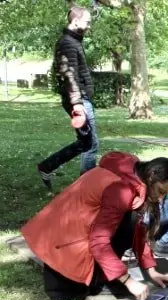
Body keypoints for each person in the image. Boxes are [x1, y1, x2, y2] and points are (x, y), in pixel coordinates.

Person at [21, 152, 168, 300]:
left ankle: (102, 276)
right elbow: (99, 241)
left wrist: (151, 270)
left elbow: (139, 229)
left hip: (69, 235)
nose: (160, 198)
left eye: (165, 194)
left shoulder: (133, 177)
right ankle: (92, 279)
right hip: (62, 243)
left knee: (132, 221)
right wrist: (128, 280)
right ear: (151, 175)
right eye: (160, 191)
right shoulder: (121, 188)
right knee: (71, 295)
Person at [37, 5, 99, 191]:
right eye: (87, 22)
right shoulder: (67, 43)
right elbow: (68, 76)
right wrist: (77, 104)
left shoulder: (74, 41)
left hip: (81, 99)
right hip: (78, 101)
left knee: (86, 143)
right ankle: (85, 188)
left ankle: (47, 166)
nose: (89, 26)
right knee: (91, 145)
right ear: (76, 21)